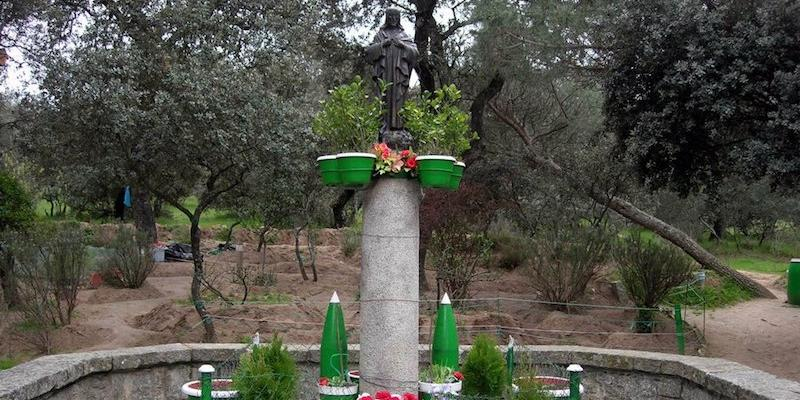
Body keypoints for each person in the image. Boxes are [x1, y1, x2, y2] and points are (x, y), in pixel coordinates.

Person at [366, 8, 419, 148]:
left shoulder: (404, 35)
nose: (393, 18)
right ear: (387, 18)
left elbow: (415, 53)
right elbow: (369, 53)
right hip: (385, 74)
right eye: (390, 16)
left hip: (399, 75)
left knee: (399, 98)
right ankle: (385, 127)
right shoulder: (380, 35)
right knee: (385, 98)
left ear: (399, 18)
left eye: (396, 16)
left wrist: (402, 46)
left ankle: (399, 128)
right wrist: (383, 44)